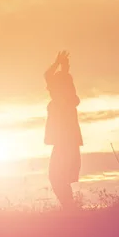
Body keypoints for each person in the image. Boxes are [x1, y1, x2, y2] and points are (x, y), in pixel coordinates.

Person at [44, 51, 83, 209]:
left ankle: (70, 207)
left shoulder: (63, 101)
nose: (49, 89)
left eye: (52, 87)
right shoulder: (65, 99)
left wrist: (59, 66)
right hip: (66, 144)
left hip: (65, 144)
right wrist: (63, 67)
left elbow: (48, 76)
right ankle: (71, 208)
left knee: (57, 177)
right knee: (60, 178)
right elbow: (49, 76)